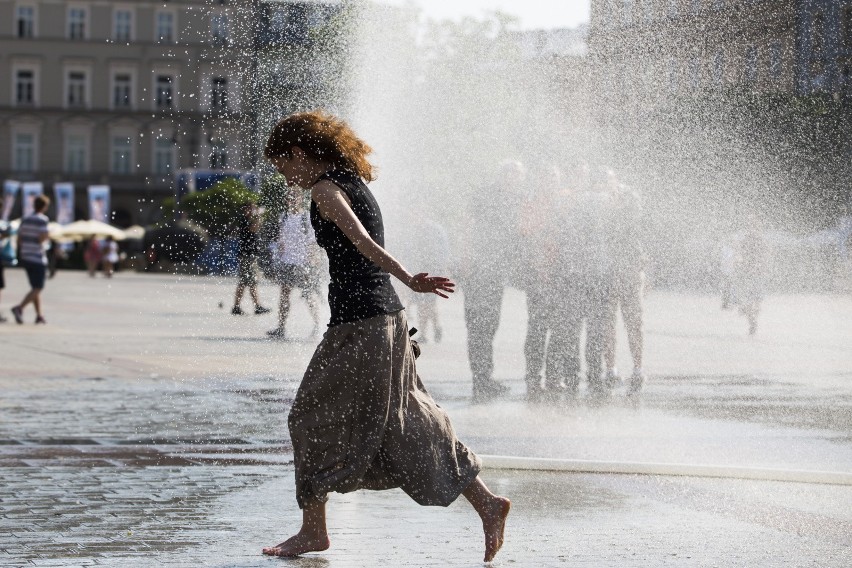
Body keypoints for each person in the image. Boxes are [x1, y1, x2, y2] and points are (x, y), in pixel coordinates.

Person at [261, 110, 511, 562]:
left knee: (307, 415)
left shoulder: (325, 189)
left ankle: (313, 531)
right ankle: (488, 503)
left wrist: (408, 277)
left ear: (298, 153)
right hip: (385, 322)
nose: (285, 177)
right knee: (411, 421)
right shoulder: (354, 182)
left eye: (283, 166)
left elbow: (361, 242)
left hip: (361, 326)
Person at [458, 160, 527, 402]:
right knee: (477, 323)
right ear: (504, 175)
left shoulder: (516, 199)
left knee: (490, 323)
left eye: (519, 176)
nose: (517, 180)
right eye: (514, 175)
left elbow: (518, 233)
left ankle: (485, 376)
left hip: (496, 271)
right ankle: (480, 379)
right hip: (478, 269)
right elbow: (467, 223)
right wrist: (466, 256)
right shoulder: (485, 195)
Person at [603, 170, 647, 396]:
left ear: (616, 181)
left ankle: (638, 369)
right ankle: (610, 369)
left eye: (609, 180)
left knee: (634, 323)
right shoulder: (598, 202)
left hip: (629, 270)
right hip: (606, 272)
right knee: (607, 323)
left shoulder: (630, 199)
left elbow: (634, 228)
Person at [266, 187, 321, 339]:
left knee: (308, 295)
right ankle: (281, 327)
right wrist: (278, 254)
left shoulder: (307, 218)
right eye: (289, 197)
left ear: (300, 199)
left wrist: (312, 259)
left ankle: (318, 325)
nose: (291, 200)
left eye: (294, 197)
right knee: (284, 295)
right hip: (287, 262)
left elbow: (312, 241)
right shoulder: (283, 216)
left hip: (302, 263)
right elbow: (281, 240)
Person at [11, 195, 51, 325]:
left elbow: (19, 238)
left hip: (25, 256)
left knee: (34, 287)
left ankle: (39, 315)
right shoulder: (42, 220)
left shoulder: (25, 219)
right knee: (38, 287)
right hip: (37, 257)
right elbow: (42, 238)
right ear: (44, 207)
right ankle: (19, 308)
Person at [232, 203, 270, 315]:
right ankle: (253, 306)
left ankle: (241, 306)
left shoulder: (247, 219)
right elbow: (254, 228)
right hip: (246, 256)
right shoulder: (244, 220)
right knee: (247, 281)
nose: (253, 210)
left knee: (247, 282)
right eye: (251, 208)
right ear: (246, 210)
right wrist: (259, 215)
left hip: (249, 256)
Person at [737, 219, 768, 336]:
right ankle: (752, 320)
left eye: (753, 226)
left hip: (754, 274)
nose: (751, 229)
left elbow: (766, 256)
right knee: (753, 300)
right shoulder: (753, 240)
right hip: (752, 274)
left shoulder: (756, 240)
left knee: (754, 300)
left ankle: (752, 320)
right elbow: (740, 255)